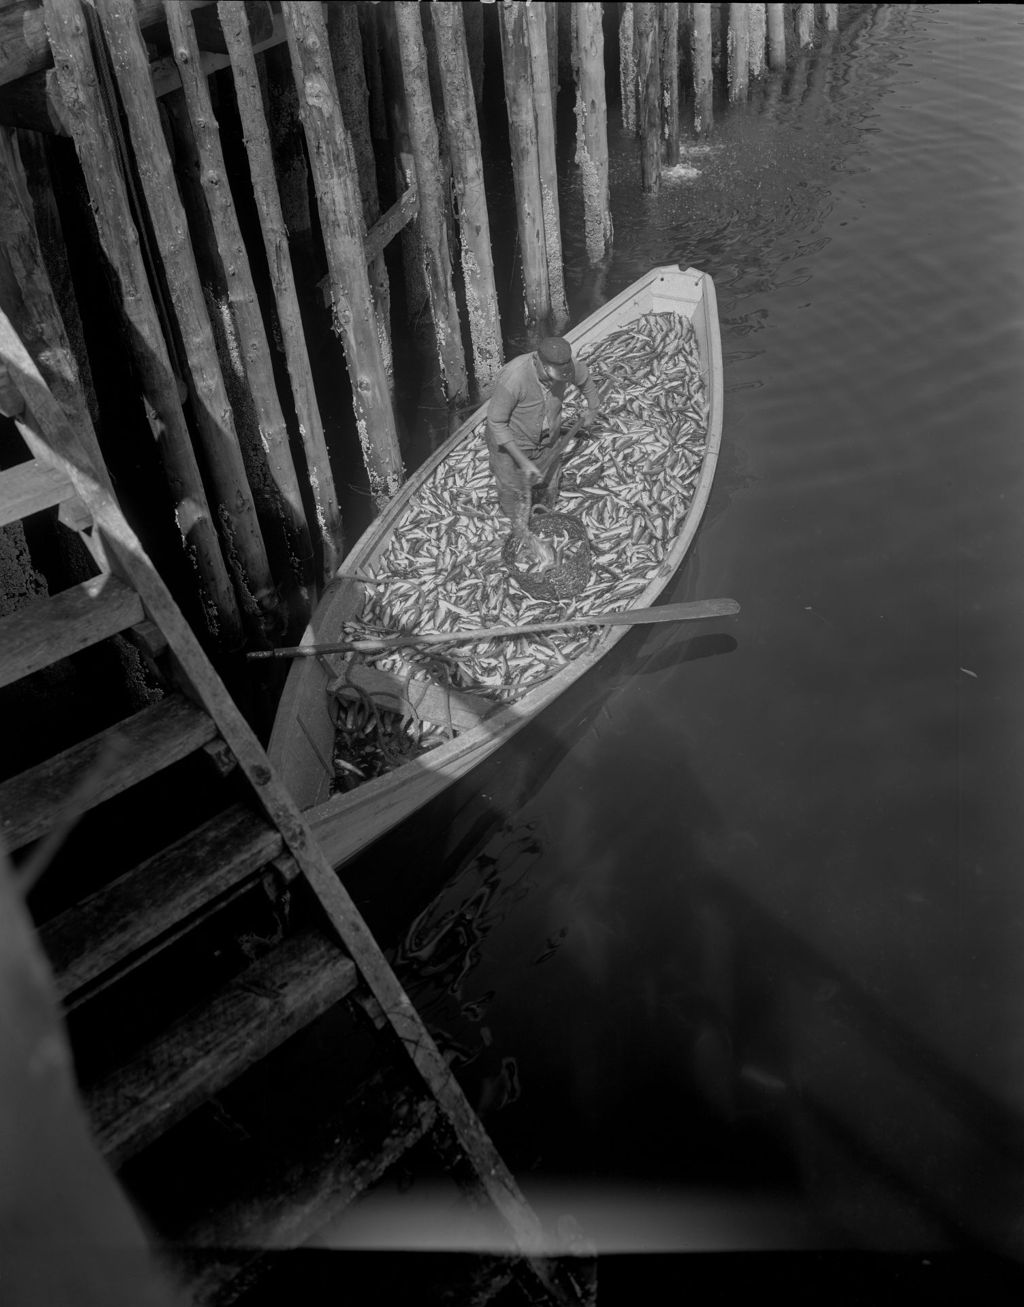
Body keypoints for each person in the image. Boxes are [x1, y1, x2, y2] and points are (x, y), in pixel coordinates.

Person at [485, 336, 601, 566]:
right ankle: (521, 534)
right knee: (512, 491)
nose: (552, 382)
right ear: (537, 360)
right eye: (549, 377)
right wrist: (522, 461)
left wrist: (593, 407)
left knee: (549, 481)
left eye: (558, 377)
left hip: (548, 439)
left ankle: (544, 515)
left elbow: (585, 380)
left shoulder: (568, 366)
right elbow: (496, 423)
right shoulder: (514, 378)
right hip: (512, 444)